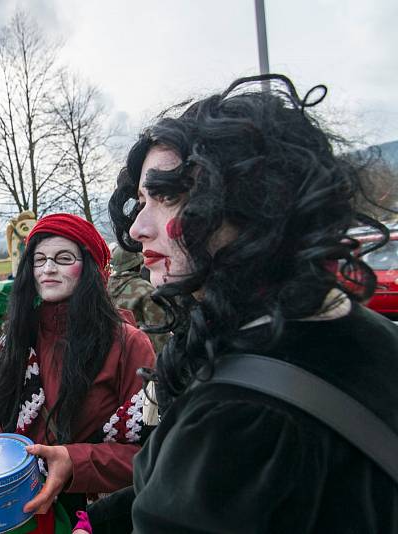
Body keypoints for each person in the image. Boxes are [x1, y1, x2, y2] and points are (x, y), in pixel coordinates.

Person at [105, 74, 398, 532]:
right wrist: (95, 517)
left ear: (254, 197)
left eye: (167, 196)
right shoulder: (358, 326)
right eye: (141, 200)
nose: (139, 227)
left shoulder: (236, 418)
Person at [0, 213, 156, 532]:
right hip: (20, 514)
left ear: (90, 269)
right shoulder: (13, 341)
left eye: (63, 258)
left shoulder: (132, 345)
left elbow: (155, 451)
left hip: (95, 516)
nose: (48, 269)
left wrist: (73, 461)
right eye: (39, 259)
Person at [107, 244, 168, 353]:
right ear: (137, 265)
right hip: (141, 353)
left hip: (114, 353)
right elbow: (158, 329)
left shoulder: (105, 286)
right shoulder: (144, 288)